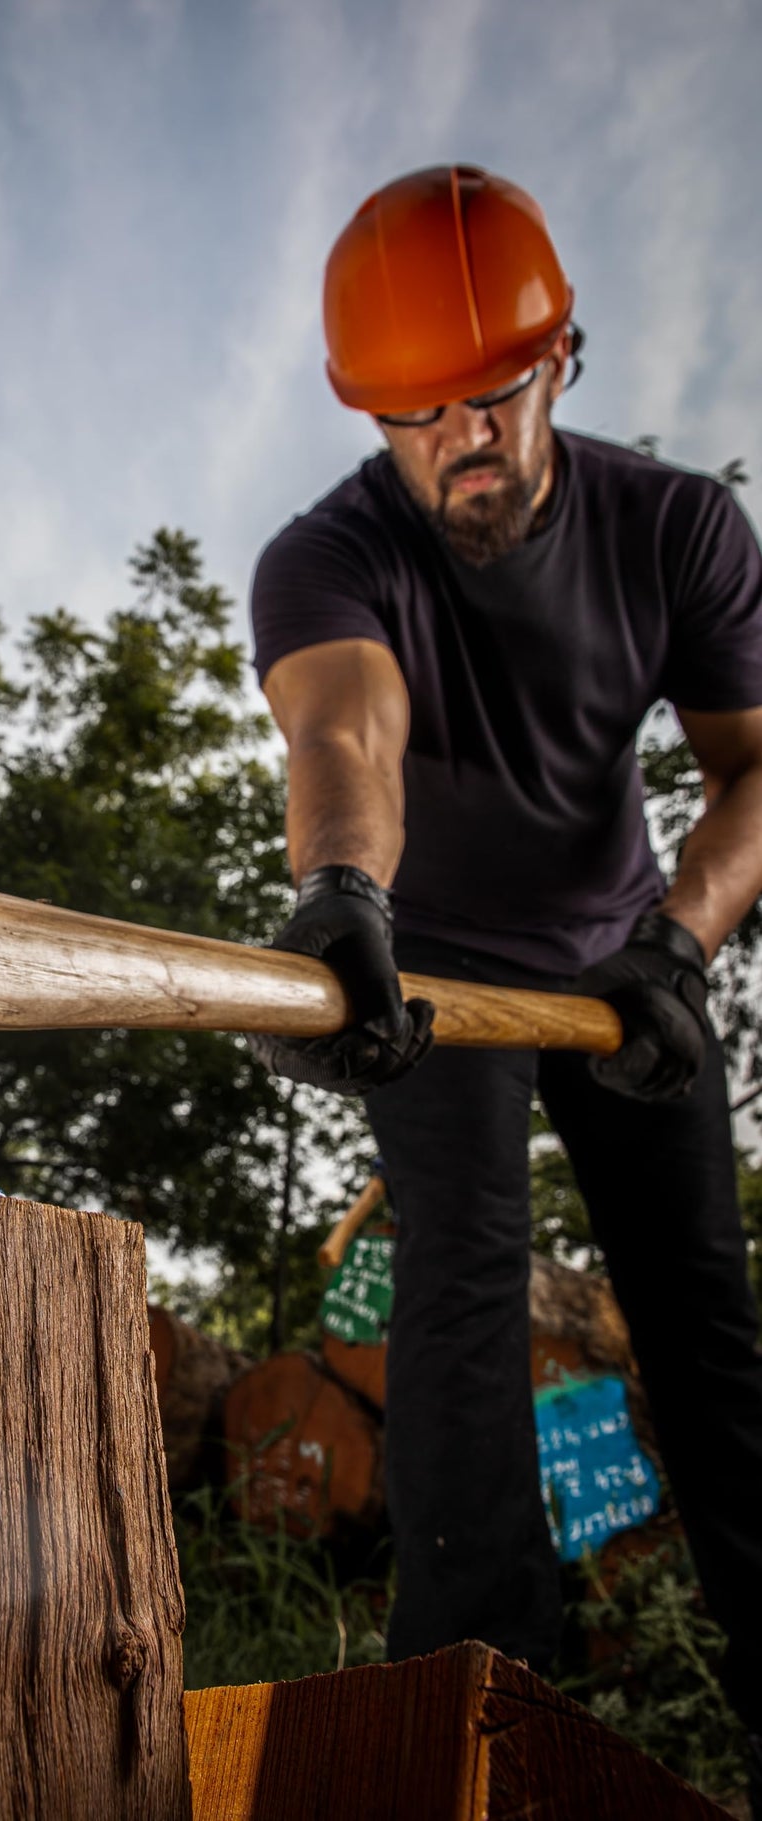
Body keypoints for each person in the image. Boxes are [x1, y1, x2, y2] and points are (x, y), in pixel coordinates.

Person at [247, 163, 762, 1798]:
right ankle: (475, 1731)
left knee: (704, 1327)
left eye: (493, 392)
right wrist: (338, 893)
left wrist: (682, 939)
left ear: (563, 360)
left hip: (624, 972)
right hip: (434, 972)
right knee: (455, 1303)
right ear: (366, 413)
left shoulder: (677, 526)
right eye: (414, 413)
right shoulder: (323, 558)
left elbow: (754, 766)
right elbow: (345, 728)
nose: (459, 436)